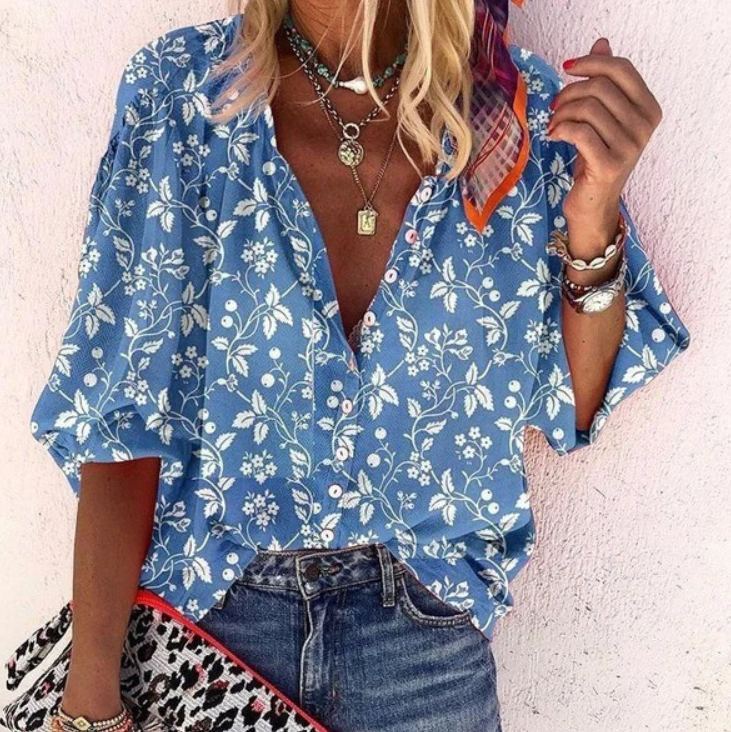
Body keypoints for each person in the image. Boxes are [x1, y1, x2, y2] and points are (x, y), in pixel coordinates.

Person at [28, 1, 691, 730]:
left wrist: (595, 208)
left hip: (424, 657)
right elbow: (120, 417)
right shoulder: (183, 94)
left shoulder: (520, 122)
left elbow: (573, 402)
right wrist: (89, 703)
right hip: (211, 635)